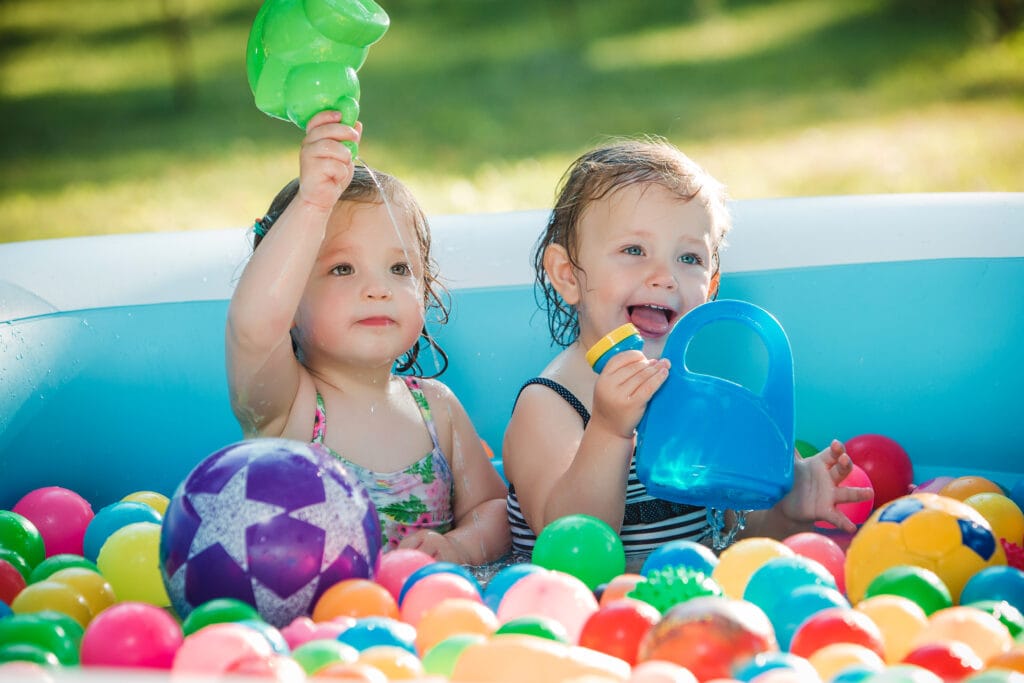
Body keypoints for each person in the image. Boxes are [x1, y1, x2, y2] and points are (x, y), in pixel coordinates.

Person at [503, 138, 871, 564]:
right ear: (567, 276)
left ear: (711, 290)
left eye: (690, 258)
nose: (665, 277)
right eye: (634, 250)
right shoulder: (549, 403)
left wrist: (788, 513)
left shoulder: (702, 404)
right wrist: (608, 430)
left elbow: (733, 533)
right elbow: (570, 541)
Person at [226, 110, 510, 565]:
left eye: (399, 269)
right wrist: (313, 206)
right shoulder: (289, 410)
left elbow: (493, 510)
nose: (378, 288)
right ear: (290, 300)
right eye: (342, 268)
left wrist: (458, 545)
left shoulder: (436, 410)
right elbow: (254, 327)